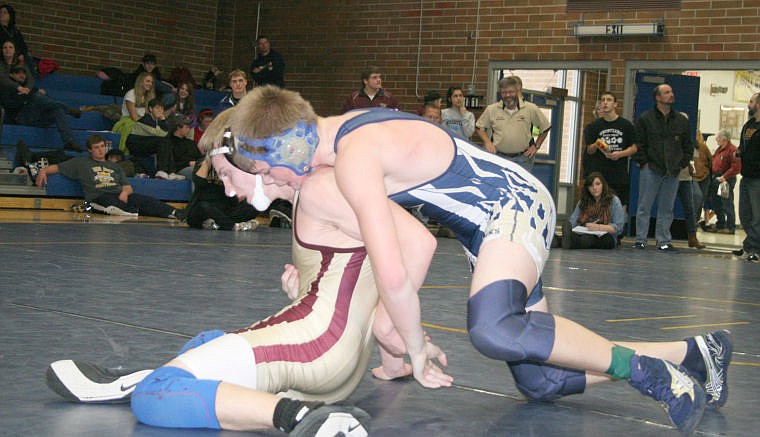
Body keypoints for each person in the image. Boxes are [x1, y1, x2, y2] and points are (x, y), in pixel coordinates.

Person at [225, 86, 733, 434]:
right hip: (487, 228)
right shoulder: (345, 134)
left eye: (271, 175)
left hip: (510, 204)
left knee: (492, 328)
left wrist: (416, 346)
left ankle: (651, 375)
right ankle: (695, 353)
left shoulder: (355, 157)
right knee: (541, 380)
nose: (274, 187)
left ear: (289, 149)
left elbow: (395, 270)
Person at [45, 114, 442, 435]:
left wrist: (391, 326)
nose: (230, 191)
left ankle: (300, 419)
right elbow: (369, 268)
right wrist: (392, 360)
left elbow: (416, 243)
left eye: (228, 175)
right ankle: (173, 375)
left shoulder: (323, 189)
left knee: (156, 397)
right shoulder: (317, 191)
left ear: (257, 164)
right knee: (209, 341)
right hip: (333, 354)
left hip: (316, 345)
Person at [35, 135, 184, 219]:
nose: (100, 150)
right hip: (99, 196)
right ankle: (93, 206)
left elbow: (127, 186)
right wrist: (43, 172)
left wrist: (125, 192)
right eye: (96, 148)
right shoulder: (80, 162)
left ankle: (175, 213)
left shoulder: (115, 166)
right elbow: (58, 167)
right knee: (118, 207)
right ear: (90, 150)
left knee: (145, 200)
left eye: (102, 146)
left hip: (118, 194)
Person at [632, 84, 693, 252]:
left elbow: (688, 145)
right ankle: (641, 239)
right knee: (644, 206)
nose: (671, 95)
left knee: (667, 208)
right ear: (658, 97)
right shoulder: (646, 119)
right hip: (651, 168)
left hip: (673, 170)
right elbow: (639, 143)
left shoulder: (681, 121)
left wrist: (682, 163)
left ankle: (663, 240)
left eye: (672, 92)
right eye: (667, 92)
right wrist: (644, 163)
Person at [475, 76, 551, 172]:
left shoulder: (530, 108)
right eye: (504, 92)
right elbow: (479, 127)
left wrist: (536, 146)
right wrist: (488, 142)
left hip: (523, 160)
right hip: (498, 157)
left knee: (521, 187)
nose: (507, 95)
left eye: (510, 92)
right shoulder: (492, 109)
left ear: (517, 91)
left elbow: (545, 128)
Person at [0, 65, 83, 151]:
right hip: (20, 117)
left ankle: (69, 142)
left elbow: (47, 102)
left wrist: (31, 95)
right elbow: (8, 105)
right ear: (11, 75)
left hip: (37, 117)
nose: (22, 75)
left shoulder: (30, 88)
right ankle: (68, 109)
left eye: (23, 73)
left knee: (57, 110)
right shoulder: (7, 88)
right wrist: (26, 98)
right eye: (18, 73)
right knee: (36, 97)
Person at [582, 91, 638, 209]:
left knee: (617, 206)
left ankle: (616, 227)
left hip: (618, 174)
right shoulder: (595, 126)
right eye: (603, 100)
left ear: (615, 104)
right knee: (597, 206)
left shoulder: (625, 125)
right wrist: (597, 144)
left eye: (609, 100)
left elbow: (634, 147)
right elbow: (589, 150)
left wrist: (621, 154)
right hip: (600, 173)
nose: (605, 103)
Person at [560, 172, 624, 250]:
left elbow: (618, 228)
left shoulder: (613, 201)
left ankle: (561, 241)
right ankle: (563, 240)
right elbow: (574, 220)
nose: (594, 188)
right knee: (580, 236)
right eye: (591, 185)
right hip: (584, 232)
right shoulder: (583, 201)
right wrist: (570, 226)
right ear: (587, 188)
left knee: (591, 239)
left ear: (603, 185)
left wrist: (598, 227)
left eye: (597, 184)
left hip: (606, 236)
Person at [733, 92, 760, 263]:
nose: (748, 104)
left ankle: (755, 249)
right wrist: (739, 152)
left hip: (758, 177)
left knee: (757, 216)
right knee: (745, 213)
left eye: (751, 101)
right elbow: (744, 146)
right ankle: (749, 245)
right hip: (746, 175)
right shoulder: (749, 125)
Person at [125, 98, 181, 179]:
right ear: (150, 109)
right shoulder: (145, 120)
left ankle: (171, 172)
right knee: (162, 140)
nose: (160, 111)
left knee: (167, 142)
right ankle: (161, 170)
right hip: (135, 145)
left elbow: (165, 134)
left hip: (145, 142)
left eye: (162, 108)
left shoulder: (155, 121)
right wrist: (163, 119)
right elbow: (163, 134)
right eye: (157, 108)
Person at [706, 130, 741, 235]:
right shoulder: (719, 149)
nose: (717, 139)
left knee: (727, 203)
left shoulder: (733, 150)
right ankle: (720, 224)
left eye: (718, 138)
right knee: (716, 203)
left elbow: (736, 167)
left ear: (724, 139)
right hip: (716, 178)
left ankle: (730, 227)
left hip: (726, 179)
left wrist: (724, 177)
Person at [166, 113, 203, 181]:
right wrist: (188, 163)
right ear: (178, 128)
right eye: (186, 127)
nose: (189, 129)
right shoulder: (169, 142)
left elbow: (200, 157)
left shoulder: (191, 143)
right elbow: (171, 163)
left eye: (189, 127)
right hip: (179, 170)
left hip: (195, 167)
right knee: (193, 172)